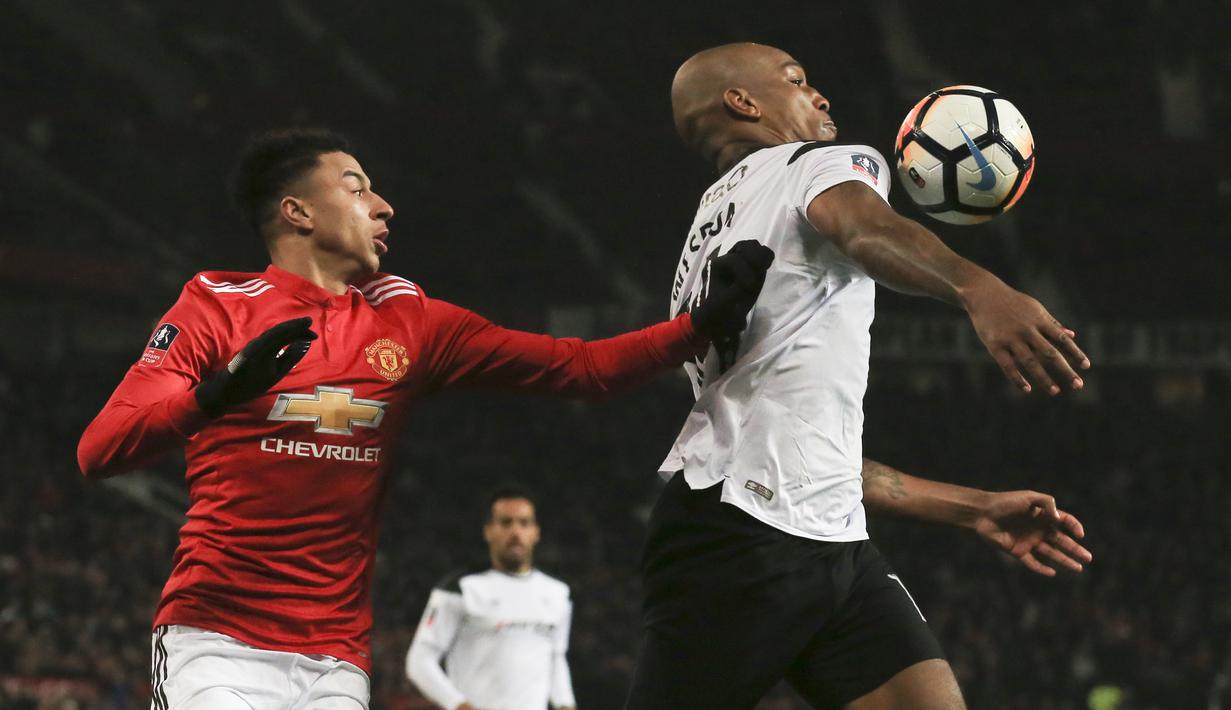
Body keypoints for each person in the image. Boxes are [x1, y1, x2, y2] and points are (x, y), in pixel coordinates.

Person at [75, 129, 771, 710]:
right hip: (216, 643)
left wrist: (696, 327)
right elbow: (99, 450)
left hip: (334, 663)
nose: (383, 205)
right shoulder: (216, 305)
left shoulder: (408, 322)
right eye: (355, 186)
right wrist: (216, 396)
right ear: (297, 212)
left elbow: (577, 368)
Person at [625, 43, 1094, 710]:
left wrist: (974, 507)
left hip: (822, 539)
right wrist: (976, 287)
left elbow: (802, 449)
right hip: (740, 543)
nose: (819, 97)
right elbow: (864, 228)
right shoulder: (816, 166)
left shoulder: (701, 243)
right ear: (743, 103)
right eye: (796, 80)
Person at [406, 486, 576, 710]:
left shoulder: (558, 593)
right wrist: (460, 705)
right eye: (506, 523)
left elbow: (556, 657)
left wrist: (566, 704)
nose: (516, 532)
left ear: (536, 532)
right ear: (488, 531)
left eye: (524, 523)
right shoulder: (461, 588)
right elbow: (419, 662)